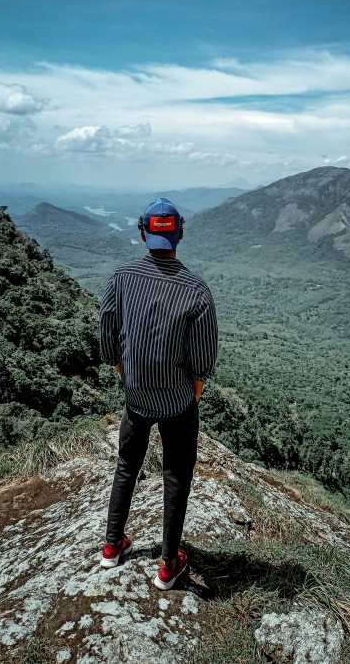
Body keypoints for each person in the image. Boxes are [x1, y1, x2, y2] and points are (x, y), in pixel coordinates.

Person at [98, 197, 218, 590]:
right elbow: (203, 360)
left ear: (143, 232)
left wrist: (123, 369)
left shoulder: (121, 277)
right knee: (176, 475)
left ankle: (112, 547)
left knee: (127, 465)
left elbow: (107, 331)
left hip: (136, 398)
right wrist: (193, 393)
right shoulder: (197, 291)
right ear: (179, 232)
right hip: (177, 402)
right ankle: (168, 565)